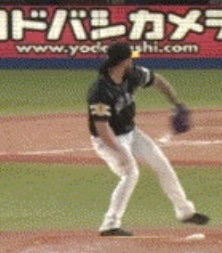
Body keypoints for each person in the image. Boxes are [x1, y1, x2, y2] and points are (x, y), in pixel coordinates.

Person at [87, 42, 209, 236]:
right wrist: (120, 152)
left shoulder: (132, 75)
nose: (133, 61)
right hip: (108, 140)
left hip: (131, 133)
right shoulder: (100, 91)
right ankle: (109, 224)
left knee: (161, 164)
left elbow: (158, 80)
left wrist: (176, 103)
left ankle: (185, 212)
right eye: (130, 58)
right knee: (130, 173)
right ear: (123, 61)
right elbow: (102, 128)